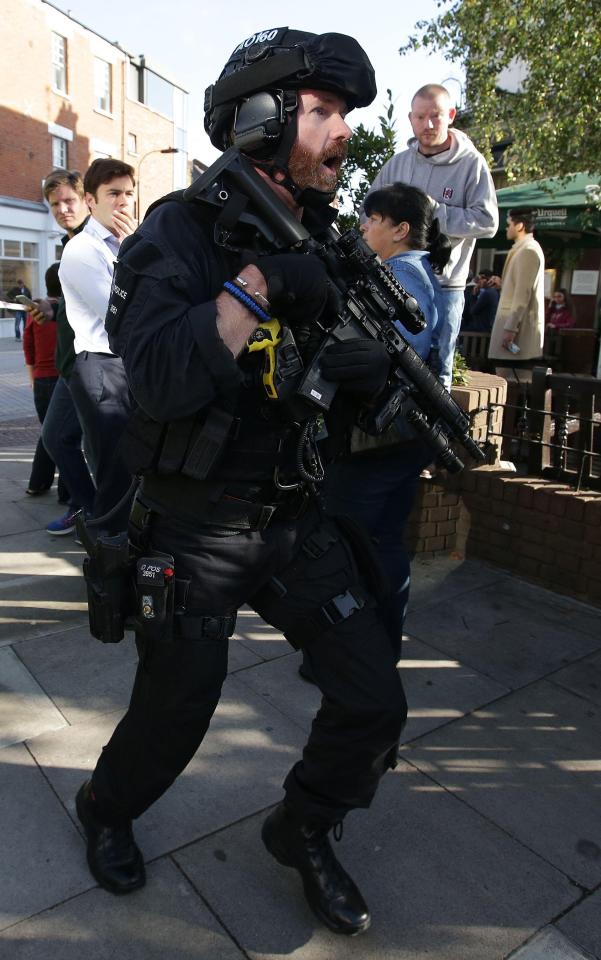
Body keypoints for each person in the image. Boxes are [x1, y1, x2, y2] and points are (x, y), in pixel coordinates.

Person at [74, 28, 406, 937]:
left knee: (375, 697)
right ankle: (105, 809)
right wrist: (260, 283)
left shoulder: (322, 236)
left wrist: (361, 375)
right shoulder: (179, 232)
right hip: (194, 527)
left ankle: (302, 826)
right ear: (262, 118)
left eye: (345, 115)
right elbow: (161, 379)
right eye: (325, 112)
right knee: (174, 714)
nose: (344, 132)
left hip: (293, 517)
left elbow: (308, 383)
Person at [320, 181, 450, 658]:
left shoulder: (402, 274)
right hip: (401, 436)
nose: (363, 227)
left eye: (371, 220)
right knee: (385, 544)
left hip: (379, 437)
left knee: (346, 545)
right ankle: (378, 650)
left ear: (400, 229)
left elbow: (394, 353)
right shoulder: (414, 269)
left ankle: (353, 657)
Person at [366, 84, 498, 387]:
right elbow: (368, 212)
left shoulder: (471, 164)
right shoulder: (397, 164)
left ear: (450, 116)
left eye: (435, 116)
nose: (427, 125)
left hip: (445, 287)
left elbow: (488, 221)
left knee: (436, 371)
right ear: (410, 118)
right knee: (388, 364)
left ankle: (435, 435)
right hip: (392, 281)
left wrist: (435, 211)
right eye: (420, 116)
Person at [59, 159, 137, 532]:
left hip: (122, 367)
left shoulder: (119, 246)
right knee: (113, 471)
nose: (123, 202)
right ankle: (108, 553)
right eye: (113, 194)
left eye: (128, 194)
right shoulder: (83, 250)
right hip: (100, 367)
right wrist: (134, 253)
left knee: (128, 465)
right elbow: (122, 314)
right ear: (91, 200)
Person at [35, 169, 97, 536]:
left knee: (65, 439)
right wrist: (53, 305)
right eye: (55, 203)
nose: (62, 208)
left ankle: (92, 511)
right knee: (61, 438)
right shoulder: (72, 241)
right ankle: (86, 507)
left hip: (91, 362)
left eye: (68, 201)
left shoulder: (97, 238)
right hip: (70, 363)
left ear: (85, 198)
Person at [22, 263, 69, 501]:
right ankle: (65, 491)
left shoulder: (35, 313)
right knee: (64, 436)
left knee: (49, 433)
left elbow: (28, 348)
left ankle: (38, 483)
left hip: (41, 380)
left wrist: (32, 377)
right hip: (63, 379)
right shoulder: (67, 311)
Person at [488, 207, 545, 365]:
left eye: (509, 224)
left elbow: (522, 294)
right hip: (512, 330)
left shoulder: (528, 251)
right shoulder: (525, 249)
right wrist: (503, 285)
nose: (507, 228)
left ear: (519, 226)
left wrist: (511, 329)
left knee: (513, 381)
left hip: (516, 334)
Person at [467, 269, 500, 333]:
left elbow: (473, 311)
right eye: (479, 278)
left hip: (481, 330)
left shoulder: (487, 293)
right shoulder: (495, 292)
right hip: (488, 328)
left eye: (482, 278)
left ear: (489, 280)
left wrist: (474, 295)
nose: (479, 281)